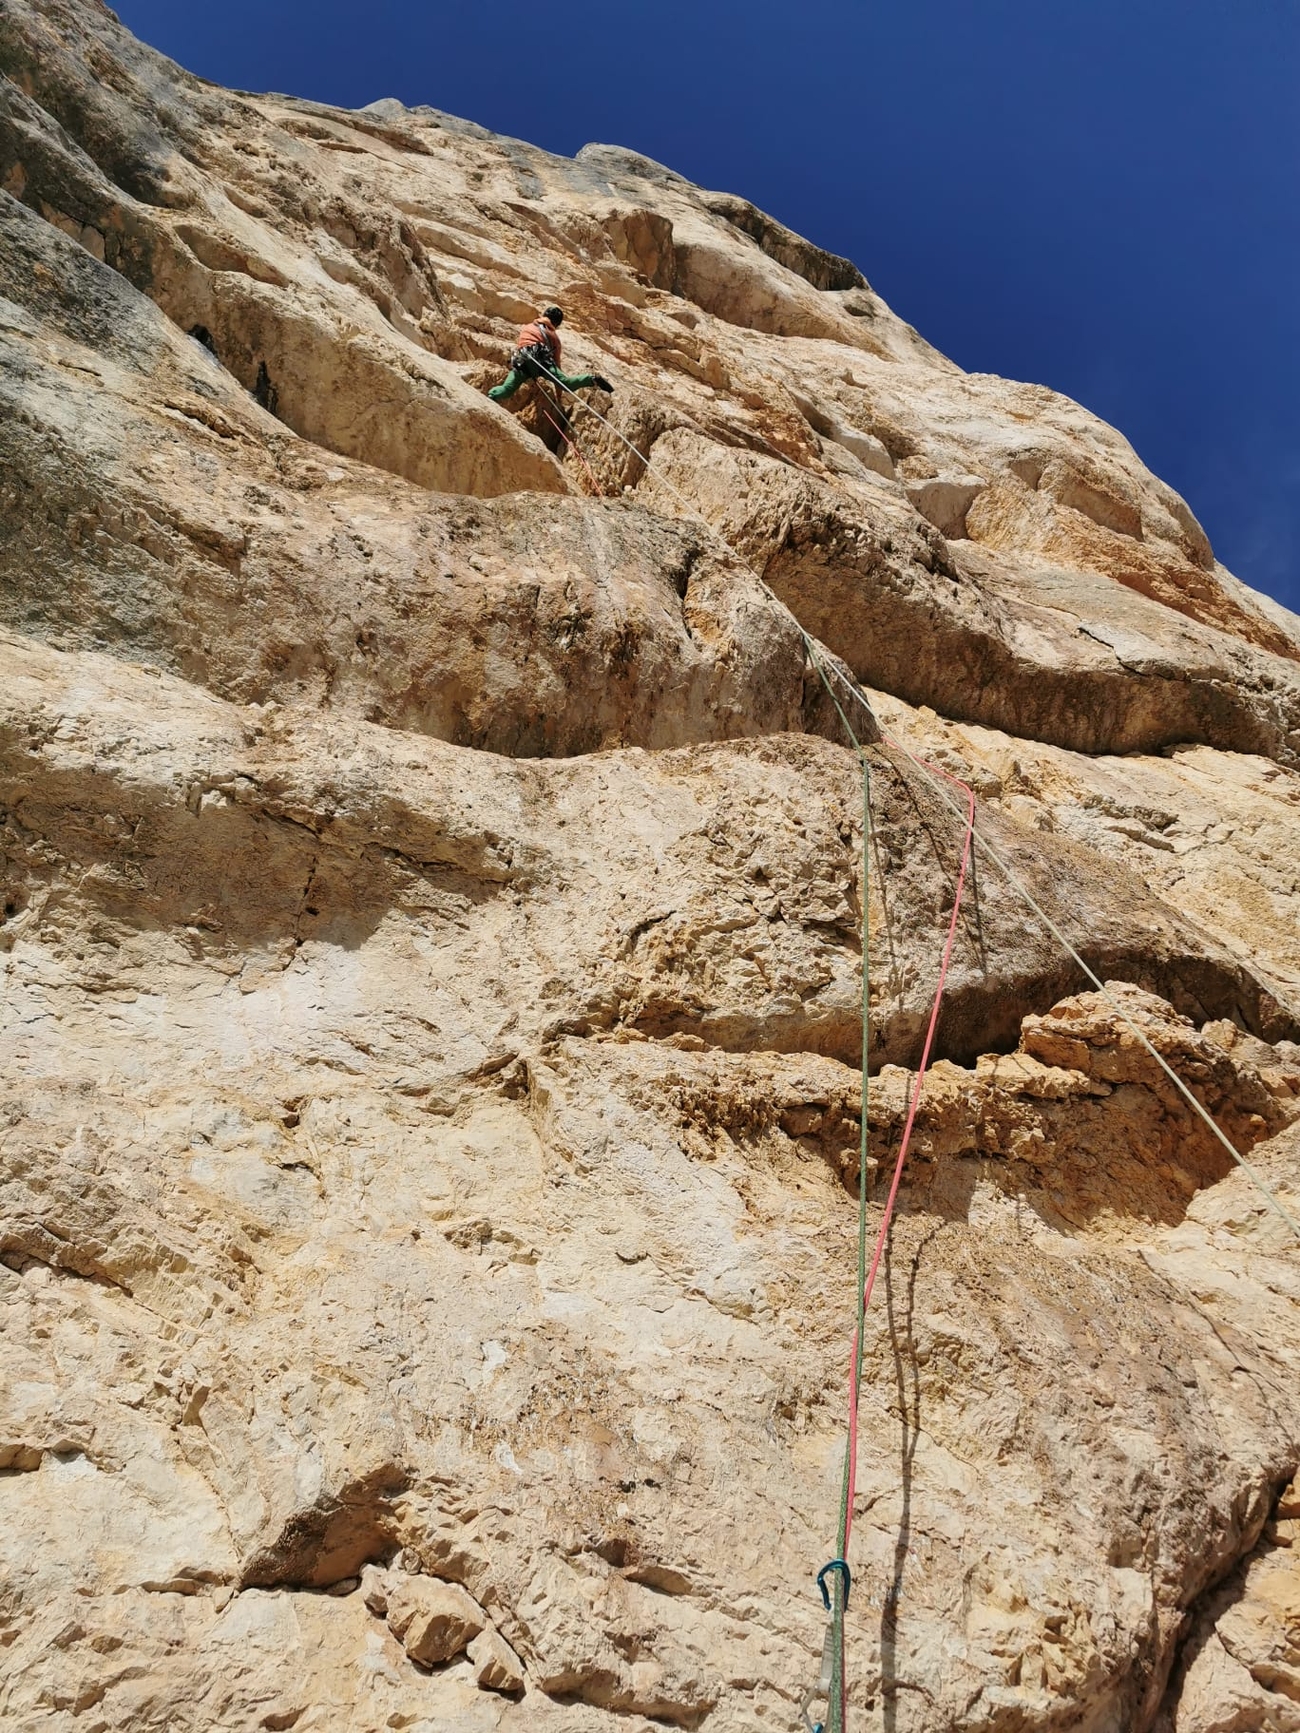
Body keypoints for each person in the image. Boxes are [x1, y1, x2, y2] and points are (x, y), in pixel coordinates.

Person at [488, 306, 613, 403]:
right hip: (542, 361)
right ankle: (592, 379)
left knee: (507, 389)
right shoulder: (553, 337)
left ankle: (491, 396)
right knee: (567, 383)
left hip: (522, 362)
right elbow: (557, 365)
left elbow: (521, 344)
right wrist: (559, 395)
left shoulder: (527, 327)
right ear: (556, 324)